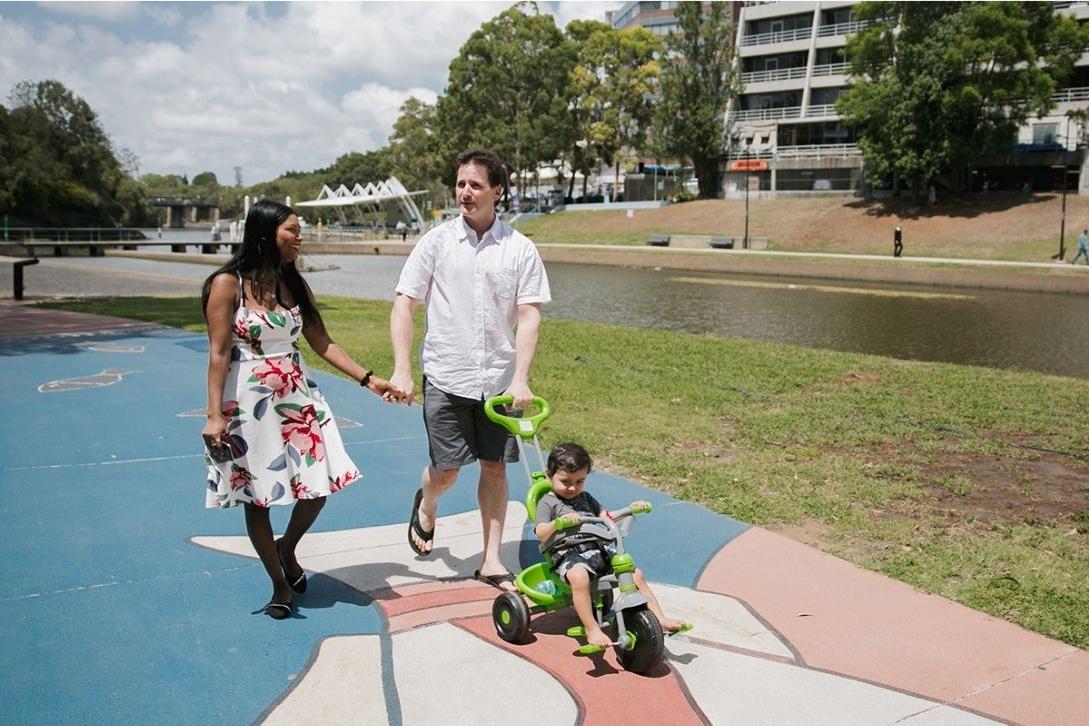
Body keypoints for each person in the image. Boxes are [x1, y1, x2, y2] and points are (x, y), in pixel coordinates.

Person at [201, 199, 403, 620]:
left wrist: (369, 380)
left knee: (318, 488)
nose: (300, 237)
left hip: (296, 397)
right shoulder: (227, 284)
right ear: (265, 235)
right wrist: (214, 414)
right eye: (292, 230)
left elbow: (321, 342)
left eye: (299, 229)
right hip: (248, 403)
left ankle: (286, 547)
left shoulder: (294, 283)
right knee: (257, 500)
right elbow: (219, 352)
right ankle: (279, 583)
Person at [390, 148, 551, 591]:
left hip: (499, 383)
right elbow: (404, 302)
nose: (465, 192)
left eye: (475, 185)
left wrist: (520, 378)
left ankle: (492, 560)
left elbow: (530, 315)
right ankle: (426, 502)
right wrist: (402, 369)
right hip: (446, 374)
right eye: (461, 184)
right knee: (447, 471)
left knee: (494, 468)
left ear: (497, 191)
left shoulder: (520, 249)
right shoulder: (437, 242)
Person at [534, 443, 687, 648]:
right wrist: (557, 523)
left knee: (635, 574)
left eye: (580, 481)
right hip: (569, 556)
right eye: (565, 481)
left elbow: (606, 517)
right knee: (579, 577)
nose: (572, 488)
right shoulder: (547, 503)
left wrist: (629, 509)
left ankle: (659, 618)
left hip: (597, 551)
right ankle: (591, 628)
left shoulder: (585, 498)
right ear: (548, 475)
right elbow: (540, 532)